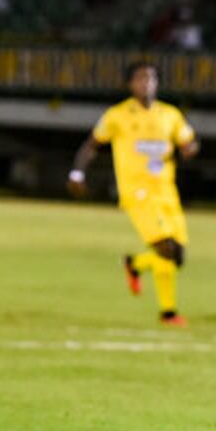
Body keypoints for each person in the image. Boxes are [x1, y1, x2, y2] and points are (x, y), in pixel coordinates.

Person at [68, 62, 200, 327]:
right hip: (137, 192)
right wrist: (77, 173)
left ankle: (136, 264)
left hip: (166, 191)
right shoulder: (118, 115)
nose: (146, 83)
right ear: (131, 84)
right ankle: (168, 312)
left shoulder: (170, 114)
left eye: (151, 78)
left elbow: (188, 141)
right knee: (166, 248)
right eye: (140, 79)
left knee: (179, 255)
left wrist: (190, 149)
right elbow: (92, 144)